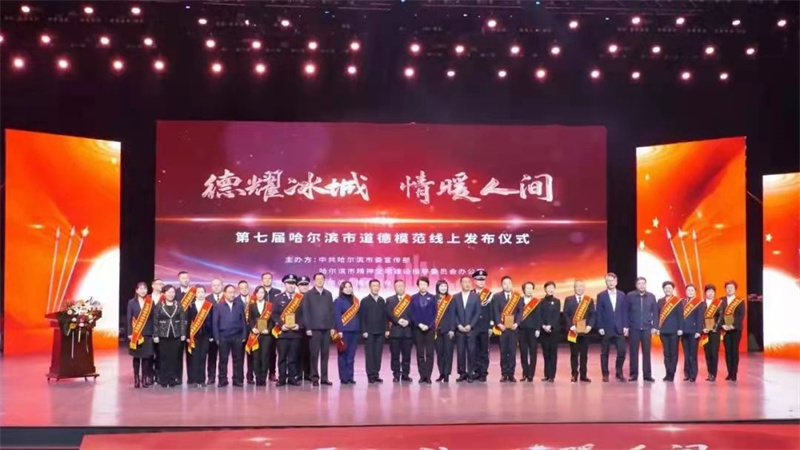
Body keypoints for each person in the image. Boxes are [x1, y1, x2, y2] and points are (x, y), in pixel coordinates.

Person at [301, 273, 335, 387]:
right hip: (314, 329)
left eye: (322, 279)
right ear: (314, 281)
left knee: (325, 355)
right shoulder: (308, 294)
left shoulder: (328, 294)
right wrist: (308, 327)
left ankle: (324, 378)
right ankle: (314, 377)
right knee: (314, 354)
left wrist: (332, 327)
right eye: (317, 279)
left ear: (324, 281)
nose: (320, 281)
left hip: (326, 329)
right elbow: (306, 312)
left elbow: (332, 312)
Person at [151, 285, 187, 388]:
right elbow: (155, 321)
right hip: (163, 335)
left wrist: (183, 333)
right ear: (164, 293)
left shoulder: (178, 305)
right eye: (169, 292)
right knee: (163, 358)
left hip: (176, 335)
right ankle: (164, 379)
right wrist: (156, 335)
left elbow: (182, 320)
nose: (171, 294)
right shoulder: (159, 305)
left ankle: (172, 379)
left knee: (174, 358)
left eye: (173, 292)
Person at [213, 284, 247, 387]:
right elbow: (215, 323)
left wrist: (244, 335)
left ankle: (237, 380)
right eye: (230, 292)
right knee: (223, 360)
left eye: (233, 292)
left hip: (237, 336)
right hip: (223, 336)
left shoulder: (239, 305)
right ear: (224, 293)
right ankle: (222, 379)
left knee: (238, 359)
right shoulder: (218, 306)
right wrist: (216, 337)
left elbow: (243, 321)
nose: (232, 294)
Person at [596, 272, 628, 382]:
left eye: (612, 281)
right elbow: (599, 312)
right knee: (604, 352)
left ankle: (619, 372)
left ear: (616, 282)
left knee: (622, 351)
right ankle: (605, 374)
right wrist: (600, 327)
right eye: (608, 281)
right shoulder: (601, 295)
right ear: (606, 282)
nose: (610, 283)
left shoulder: (622, 295)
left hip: (619, 327)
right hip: (606, 328)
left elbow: (624, 311)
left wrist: (625, 325)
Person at [273, 275, 303, 386]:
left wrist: (299, 325)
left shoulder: (300, 298)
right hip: (282, 333)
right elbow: (274, 314)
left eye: (293, 283)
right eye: (289, 283)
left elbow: (304, 315)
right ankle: (281, 378)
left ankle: (292, 378)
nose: (291, 286)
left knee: (293, 357)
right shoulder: (278, 298)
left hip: (295, 333)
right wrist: (281, 325)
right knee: (282, 357)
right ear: (285, 285)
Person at [564, 280, 595, 383]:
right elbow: (566, 314)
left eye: (581, 286)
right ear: (574, 288)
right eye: (577, 286)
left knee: (584, 355)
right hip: (573, 331)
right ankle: (574, 374)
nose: (579, 288)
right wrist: (572, 327)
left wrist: (589, 326)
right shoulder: (569, 299)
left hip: (585, 331)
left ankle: (583, 375)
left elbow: (592, 315)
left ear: (584, 288)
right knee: (574, 354)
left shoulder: (589, 300)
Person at [627, 277, 657, 382]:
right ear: (636, 285)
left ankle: (647, 375)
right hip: (634, 328)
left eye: (643, 283)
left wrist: (655, 326)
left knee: (646, 352)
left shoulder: (651, 296)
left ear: (646, 284)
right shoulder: (630, 296)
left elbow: (655, 313)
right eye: (639, 283)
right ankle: (633, 374)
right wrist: (626, 326)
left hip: (646, 328)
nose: (641, 285)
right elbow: (626, 312)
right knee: (633, 352)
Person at [492, 276, 521, 382]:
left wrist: (517, 323)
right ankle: (504, 374)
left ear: (512, 284)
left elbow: (520, 312)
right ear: (502, 285)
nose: (507, 285)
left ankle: (511, 374)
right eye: (505, 283)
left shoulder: (517, 297)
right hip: (502, 329)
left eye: (509, 283)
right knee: (503, 352)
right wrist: (499, 324)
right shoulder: (497, 296)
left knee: (512, 352)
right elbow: (495, 311)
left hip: (513, 329)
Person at [360, 279, 389, 384]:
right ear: (370, 287)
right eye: (374, 286)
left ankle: (376, 374)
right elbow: (362, 317)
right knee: (370, 355)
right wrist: (364, 330)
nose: (376, 288)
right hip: (369, 332)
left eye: (377, 286)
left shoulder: (382, 300)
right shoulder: (365, 301)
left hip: (380, 332)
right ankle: (370, 375)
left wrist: (386, 329)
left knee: (378, 354)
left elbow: (385, 317)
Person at [127, 282, 155, 389]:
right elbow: (129, 318)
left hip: (147, 333)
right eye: (141, 288)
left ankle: (144, 379)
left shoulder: (150, 302)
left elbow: (153, 318)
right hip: (136, 333)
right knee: (137, 357)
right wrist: (130, 333)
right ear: (136, 290)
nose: (143, 291)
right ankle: (136, 379)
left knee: (146, 357)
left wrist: (153, 332)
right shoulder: (131, 302)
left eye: (145, 289)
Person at [386, 279, 414, 383]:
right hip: (395, 332)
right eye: (397, 286)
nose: (400, 288)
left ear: (404, 286)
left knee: (407, 356)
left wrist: (408, 321)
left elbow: (414, 313)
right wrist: (398, 320)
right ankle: (396, 375)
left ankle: (406, 375)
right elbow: (388, 314)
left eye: (401, 286)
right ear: (394, 288)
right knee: (395, 356)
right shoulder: (389, 300)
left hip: (408, 332)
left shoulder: (411, 299)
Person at [410, 277, 436, 384]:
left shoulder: (433, 297)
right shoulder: (413, 297)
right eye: (421, 284)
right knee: (420, 353)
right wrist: (419, 324)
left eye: (425, 284)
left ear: (428, 285)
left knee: (429, 353)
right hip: (418, 328)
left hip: (430, 328)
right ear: (418, 285)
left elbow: (435, 313)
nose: (423, 286)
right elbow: (412, 313)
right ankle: (422, 376)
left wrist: (428, 325)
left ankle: (428, 376)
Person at [187, 285, 214, 387]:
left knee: (203, 357)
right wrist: (188, 336)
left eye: (202, 292)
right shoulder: (191, 306)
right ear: (195, 294)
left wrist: (211, 335)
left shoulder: (209, 306)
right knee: (194, 357)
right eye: (198, 292)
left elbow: (212, 321)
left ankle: (202, 380)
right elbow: (188, 321)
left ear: (205, 293)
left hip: (206, 335)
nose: (200, 294)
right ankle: (194, 380)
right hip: (194, 335)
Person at [454, 276, 480, 383]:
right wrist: (458, 325)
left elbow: (477, 313)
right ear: (461, 284)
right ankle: (462, 373)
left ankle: (470, 373)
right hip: (459, 329)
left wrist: (471, 325)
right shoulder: (455, 297)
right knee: (460, 352)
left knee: (471, 352)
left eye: (469, 282)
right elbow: (453, 313)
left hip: (471, 330)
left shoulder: (475, 297)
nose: (467, 284)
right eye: (464, 282)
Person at [246, 286, 274, 386]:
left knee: (265, 357)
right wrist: (252, 328)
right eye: (258, 293)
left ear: (264, 294)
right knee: (256, 357)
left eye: (262, 292)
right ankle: (257, 378)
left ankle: (263, 378)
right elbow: (250, 319)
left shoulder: (269, 306)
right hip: (255, 335)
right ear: (255, 294)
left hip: (266, 336)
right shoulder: (252, 306)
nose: (260, 295)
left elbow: (272, 320)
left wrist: (268, 330)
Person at [334, 281, 360, 385]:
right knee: (342, 355)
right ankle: (343, 377)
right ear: (342, 289)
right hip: (343, 332)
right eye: (346, 287)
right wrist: (339, 330)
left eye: (350, 287)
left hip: (354, 331)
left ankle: (350, 376)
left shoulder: (355, 300)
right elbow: (337, 316)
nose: (348, 289)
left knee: (351, 356)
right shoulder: (338, 301)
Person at [656, 281, 682, 382]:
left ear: (673, 289)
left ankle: (672, 373)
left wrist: (680, 328)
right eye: (666, 288)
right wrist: (657, 328)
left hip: (674, 331)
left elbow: (680, 316)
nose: (668, 290)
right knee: (666, 353)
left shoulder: (677, 301)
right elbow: (657, 316)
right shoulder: (660, 301)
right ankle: (667, 373)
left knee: (673, 353)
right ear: (663, 289)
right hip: (663, 331)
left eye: (670, 288)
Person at [260, 272, 283, 382]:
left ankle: (272, 373)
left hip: (274, 327)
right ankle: (261, 373)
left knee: (273, 352)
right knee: (262, 351)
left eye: (269, 278)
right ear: (262, 280)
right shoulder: (259, 292)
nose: (267, 280)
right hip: (262, 326)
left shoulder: (277, 292)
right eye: (265, 278)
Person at [472, 270, 494, 382]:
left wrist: (491, 326)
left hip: (485, 326)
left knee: (484, 351)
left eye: (483, 280)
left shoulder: (490, 295)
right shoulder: (471, 294)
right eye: (479, 280)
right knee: (474, 350)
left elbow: (492, 311)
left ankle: (483, 373)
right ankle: (476, 371)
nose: (481, 282)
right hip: (473, 326)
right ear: (474, 281)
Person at [721, 280, 745, 382]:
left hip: (735, 330)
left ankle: (734, 373)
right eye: (728, 287)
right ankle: (729, 372)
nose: (729, 289)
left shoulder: (740, 301)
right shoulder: (721, 300)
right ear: (725, 289)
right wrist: (723, 325)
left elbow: (741, 315)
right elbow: (719, 315)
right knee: (727, 351)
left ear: (735, 289)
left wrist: (733, 325)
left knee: (734, 351)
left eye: (731, 287)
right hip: (725, 330)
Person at [700, 284, 724, 381]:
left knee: (714, 353)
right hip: (705, 332)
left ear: (714, 293)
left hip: (714, 332)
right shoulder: (702, 304)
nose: (710, 293)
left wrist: (714, 327)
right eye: (708, 291)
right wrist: (703, 328)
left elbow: (720, 316)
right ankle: (709, 373)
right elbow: (700, 317)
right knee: (707, 353)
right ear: (705, 293)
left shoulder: (719, 303)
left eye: (712, 291)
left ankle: (714, 374)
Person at [518, 281, 541, 382]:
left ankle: (531, 374)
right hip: (521, 330)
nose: (529, 290)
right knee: (523, 352)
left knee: (533, 352)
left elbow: (539, 316)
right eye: (527, 288)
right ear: (524, 290)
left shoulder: (536, 302)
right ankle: (525, 373)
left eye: (531, 288)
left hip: (533, 330)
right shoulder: (519, 301)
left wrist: (538, 329)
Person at [681, 284, 704, 382]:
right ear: (685, 291)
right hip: (684, 332)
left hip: (694, 332)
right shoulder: (682, 302)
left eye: (692, 290)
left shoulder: (699, 303)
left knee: (692, 355)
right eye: (688, 290)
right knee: (686, 354)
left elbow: (700, 318)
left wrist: (699, 331)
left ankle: (693, 374)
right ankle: (687, 373)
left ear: (695, 292)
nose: (690, 292)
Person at [434, 280, 456, 383]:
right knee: (439, 353)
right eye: (441, 286)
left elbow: (453, 315)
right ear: (437, 287)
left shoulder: (451, 299)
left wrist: (452, 329)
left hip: (448, 330)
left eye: (445, 286)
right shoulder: (433, 299)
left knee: (448, 353)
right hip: (436, 330)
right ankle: (441, 373)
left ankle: (447, 374)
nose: (443, 288)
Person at [539, 281, 561, 382]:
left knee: (553, 353)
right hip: (543, 331)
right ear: (545, 289)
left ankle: (552, 375)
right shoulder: (541, 301)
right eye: (549, 288)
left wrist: (550, 326)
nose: (551, 289)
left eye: (552, 287)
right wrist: (543, 326)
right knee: (546, 353)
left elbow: (556, 316)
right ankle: (546, 375)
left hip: (554, 331)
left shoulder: (557, 301)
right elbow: (539, 315)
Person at [234, 280, 255, 385]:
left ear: (248, 287)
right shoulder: (235, 301)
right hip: (239, 333)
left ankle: (250, 377)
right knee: (239, 357)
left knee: (251, 356)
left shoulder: (254, 299)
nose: (244, 289)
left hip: (252, 332)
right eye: (241, 288)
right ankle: (239, 378)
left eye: (246, 287)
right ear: (239, 289)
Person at [175, 271, 194, 385]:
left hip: (192, 328)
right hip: (178, 328)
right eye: (183, 278)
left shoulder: (195, 293)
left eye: (187, 278)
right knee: (178, 355)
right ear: (179, 279)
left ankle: (191, 378)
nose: (185, 280)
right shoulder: (174, 293)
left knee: (191, 354)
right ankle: (178, 378)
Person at [205, 278, 224, 385]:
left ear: (222, 286)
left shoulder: (228, 298)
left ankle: (222, 377)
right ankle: (211, 377)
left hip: (225, 333)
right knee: (211, 357)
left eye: (218, 285)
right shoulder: (207, 299)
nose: (216, 287)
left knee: (223, 358)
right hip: (211, 334)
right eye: (214, 285)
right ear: (211, 287)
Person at [296, 276, 313, 382]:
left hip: (310, 329)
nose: (304, 287)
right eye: (302, 285)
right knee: (297, 352)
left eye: (306, 285)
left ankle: (308, 373)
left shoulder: (312, 297)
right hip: (297, 329)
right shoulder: (295, 298)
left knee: (309, 352)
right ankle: (298, 374)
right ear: (298, 286)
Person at [148, 278, 164, 386]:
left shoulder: (165, 298)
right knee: (149, 354)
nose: (161, 286)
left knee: (160, 354)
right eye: (158, 284)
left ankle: (158, 375)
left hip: (162, 330)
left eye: (162, 284)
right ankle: (150, 375)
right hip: (149, 330)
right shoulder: (147, 298)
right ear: (153, 285)